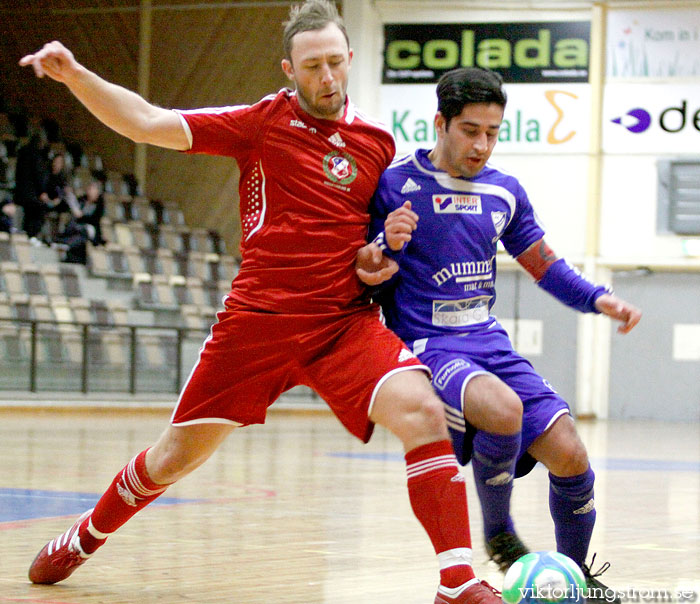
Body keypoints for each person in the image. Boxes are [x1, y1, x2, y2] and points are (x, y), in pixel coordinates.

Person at [19, 4, 500, 603]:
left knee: (424, 412)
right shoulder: (258, 124)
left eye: (334, 63)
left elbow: (367, 247)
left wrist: (376, 258)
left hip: (341, 325)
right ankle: (85, 537)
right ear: (289, 70)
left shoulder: (376, 143)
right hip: (258, 326)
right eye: (312, 66)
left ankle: (457, 582)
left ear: (350, 60)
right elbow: (147, 122)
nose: (326, 77)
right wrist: (76, 76)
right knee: (172, 458)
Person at [360, 67, 642, 602]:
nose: (482, 144)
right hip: (426, 346)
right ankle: (499, 536)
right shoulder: (395, 184)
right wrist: (381, 247)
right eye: (470, 130)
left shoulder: (504, 190)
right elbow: (361, 267)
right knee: (502, 408)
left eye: (493, 132)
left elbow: (543, 263)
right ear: (440, 123)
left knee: (571, 455)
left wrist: (597, 298)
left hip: (488, 341)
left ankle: (573, 581)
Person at [12, 121, 51, 240]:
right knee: (39, 211)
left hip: (20, 191)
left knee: (28, 214)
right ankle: (31, 236)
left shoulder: (22, 151)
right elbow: (38, 175)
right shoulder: (36, 156)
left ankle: (26, 234)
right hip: (31, 194)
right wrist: (42, 192)